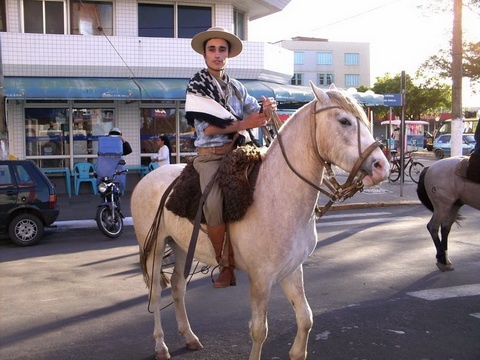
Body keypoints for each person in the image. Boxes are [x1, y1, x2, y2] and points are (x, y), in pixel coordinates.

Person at [185, 27, 277, 288]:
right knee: (213, 203)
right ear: (204, 54)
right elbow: (208, 128)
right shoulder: (197, 86)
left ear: (228, 54)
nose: (217, 54)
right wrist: (245, 123)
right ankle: (225, 265)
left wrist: (266, 110)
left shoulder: (237, 87)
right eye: (212, 49)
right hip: (210, 156)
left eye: (221, 49)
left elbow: (255, 114)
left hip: (240, 151)